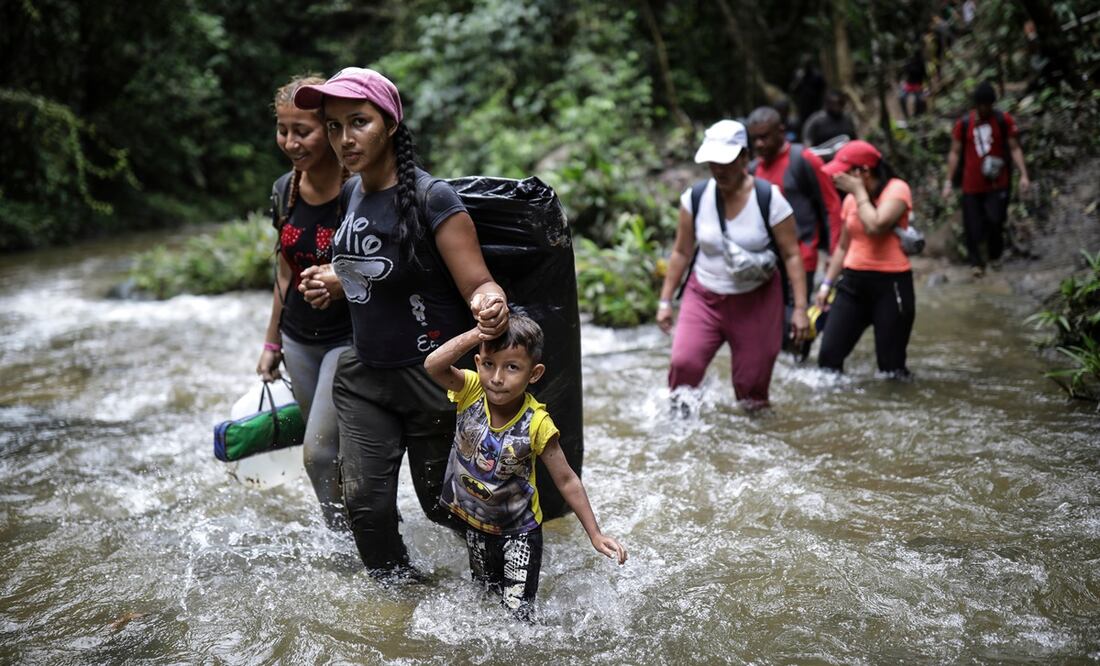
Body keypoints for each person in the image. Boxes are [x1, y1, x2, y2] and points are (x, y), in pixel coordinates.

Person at [292, 67, 510, 576]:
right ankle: (401, 608)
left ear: (390, 124)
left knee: (442, 506)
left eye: (359, 122)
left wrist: (490, 303)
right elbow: (375, 270)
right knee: (365, 509)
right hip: (365, 375)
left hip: (431, 378)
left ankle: (500, 580)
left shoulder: (434, 199)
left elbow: (479, 282)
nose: (344, 139)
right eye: (333, 126)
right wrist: (337, 281)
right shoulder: (351, 193)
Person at [424, 313, 627, 619]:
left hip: (519, 535)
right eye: (489, 364)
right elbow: (433, 365)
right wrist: (479, 333)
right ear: (478, 363)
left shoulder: (537, 423)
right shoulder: (471, 390)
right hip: (476, 525)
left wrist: (595, 534)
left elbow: (567, 480)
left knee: (518, 617)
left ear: (534, 373)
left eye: (512, 367)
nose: (497, 378)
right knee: (483, 602)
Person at [656, 120, 810, 411]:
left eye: (725, 161)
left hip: (757, 301)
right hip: (704, 296)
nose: (718, 169)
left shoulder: (769, 199)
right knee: (684, 364)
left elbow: (792, 255)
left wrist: (800, 309)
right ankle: (678, 424)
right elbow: (681, 252)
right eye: (712, 162)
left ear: (744, 158)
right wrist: (665, 301)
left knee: (751, 389)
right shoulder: (695, 199)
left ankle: (751, 435)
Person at [256, 74, 352, 531]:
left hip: (350, 338)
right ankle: (346, 534)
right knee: (328, 452)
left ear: (330, 129)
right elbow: (285, 273)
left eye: (303, 131)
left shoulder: (360, 189)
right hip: (298, 339)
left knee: (318, 452)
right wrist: (271, 343)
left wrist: (341, 280)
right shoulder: (284, 190)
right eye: (283, 130)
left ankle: (350, 538)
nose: (291, 142)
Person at [816, 140, 915, 377]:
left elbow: (876, 225)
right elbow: (843, 247)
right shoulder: (851, 200)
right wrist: (826, 284)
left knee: (891, 369)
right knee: (828, 358)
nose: (837, 177)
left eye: (844, 172)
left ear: (863, 172)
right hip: (853, 284)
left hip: (891, 285)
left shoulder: (897, 190)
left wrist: (859, 192)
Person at [747, 106, 844, 300]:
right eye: (755, 138)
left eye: (764, 137)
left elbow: (831, 207)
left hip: (801, 257)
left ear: (781, 132)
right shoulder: (753, 169)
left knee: (795, 314)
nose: (759, 144)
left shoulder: (803, 159)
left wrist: (834, 254)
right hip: (765, 261)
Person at [942, 81, 1030, 277]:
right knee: (972, 225)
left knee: (996, 220)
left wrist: (1024, 174)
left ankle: (994, 256)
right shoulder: (964, 124)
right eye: (981, 105)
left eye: (988, 105)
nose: (984, 109)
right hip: (971, 185)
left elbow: (1014, 148)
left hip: (998, 184)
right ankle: (976, 264)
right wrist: (948, 182)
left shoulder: (1003, 120)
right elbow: (955, 152)